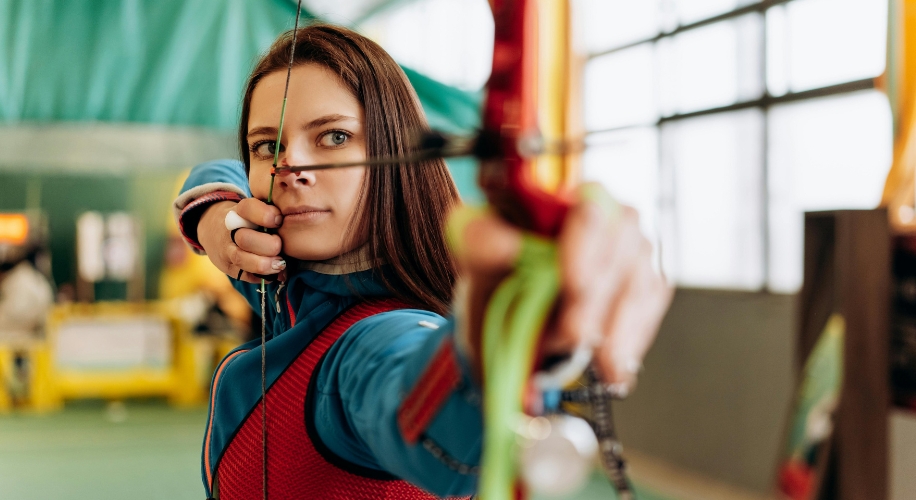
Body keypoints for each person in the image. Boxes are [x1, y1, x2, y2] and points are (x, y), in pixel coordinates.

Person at [173, 24, 671, 499]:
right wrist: (216, 218)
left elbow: (427, 419)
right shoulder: (282, 280)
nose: (290, 169)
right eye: (268, 146)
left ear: (396, 150)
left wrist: (498, 337)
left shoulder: (374, 340)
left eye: (335, 137)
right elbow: (217, 170)